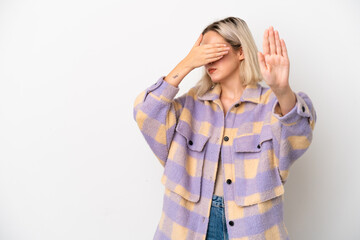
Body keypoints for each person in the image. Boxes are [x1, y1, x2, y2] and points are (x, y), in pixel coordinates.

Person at [133, 16, 317, 240]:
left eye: (215, 51)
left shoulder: (272, 104)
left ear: (241, 52)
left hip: (251, 229)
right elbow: (146, 113)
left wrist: (283, 90)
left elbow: (299, 134)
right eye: (203, 54)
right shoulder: (191, 104)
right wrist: (187, 63)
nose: (208, 60)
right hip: (188, 226)